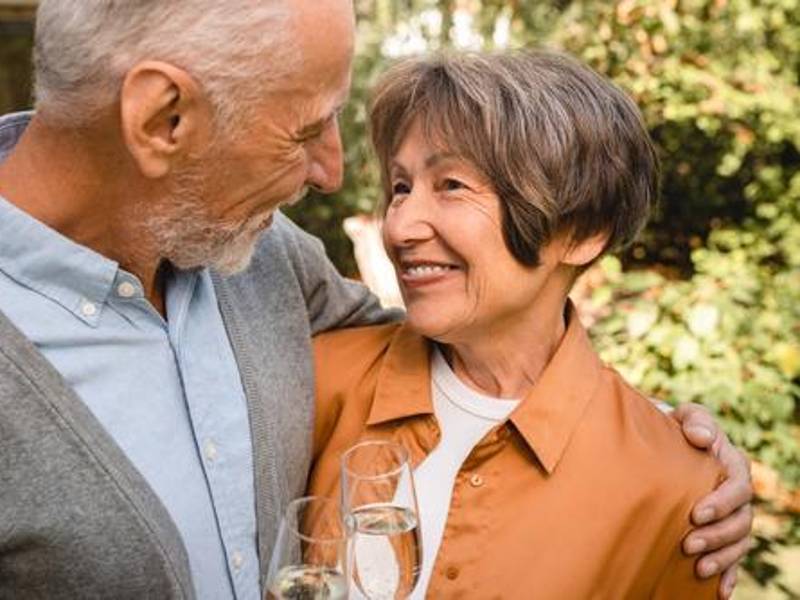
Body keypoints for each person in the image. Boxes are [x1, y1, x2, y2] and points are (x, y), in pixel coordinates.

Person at [0, 1, 749, 599]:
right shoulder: (324, 366)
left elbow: (485, 343)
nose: (333, 174)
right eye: (305, 129)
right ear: (163, 118)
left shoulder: (265, 261)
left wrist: (668, 449)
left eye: (448, 184)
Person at [309, 50, 751, 599]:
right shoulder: (318, 378)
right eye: (401, 187)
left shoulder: (678, 487)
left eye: (450, 185)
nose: (399, 226)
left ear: (581, 231)